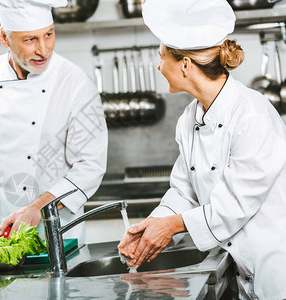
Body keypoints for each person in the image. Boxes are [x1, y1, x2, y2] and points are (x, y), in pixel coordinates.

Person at [118, 0, 286, 299]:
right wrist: (153, 226)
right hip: (238, 267)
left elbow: (235, 204)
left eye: (161, 57)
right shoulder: (188, 119)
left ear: (185, 64)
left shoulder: (251, 113)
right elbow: (184, 190)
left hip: (275, 268)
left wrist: (172, 226)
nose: (159, 66)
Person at [0, 0, 107, 245]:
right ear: (4, 37)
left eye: (48, 35)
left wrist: (37, 208)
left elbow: (90, 166)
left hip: (56, 233)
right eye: (30, 40)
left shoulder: (76, 83)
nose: (43, 50)